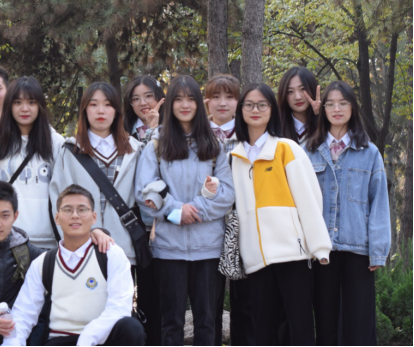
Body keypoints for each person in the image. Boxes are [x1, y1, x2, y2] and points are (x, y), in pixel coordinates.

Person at [0, 180, 114, 346]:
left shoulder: (27, 252)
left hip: (15, 335)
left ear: (15, 216)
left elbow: (67, 256)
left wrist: (95, 232)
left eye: (5, 215)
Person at [230, 83, 332, 346]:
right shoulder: (235, 156)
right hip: (256, 260)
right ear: (240, 110)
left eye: (262, 104)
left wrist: (319, 247)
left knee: (300, 329)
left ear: (272, 110)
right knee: (263, 331)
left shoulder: (287, 148)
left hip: (292, 255)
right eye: (249, 104)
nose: (255, 110)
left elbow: (310, 199)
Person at [136, 75, 234, 346]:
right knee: (171, 323)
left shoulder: (214, 146)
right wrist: (176, 212)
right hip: (169, 249)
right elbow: (144, 191)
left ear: (199, 104)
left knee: (207, 322)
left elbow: (228, 193)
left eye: (191, 98)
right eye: (178, 99)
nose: (185, 104)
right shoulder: (157, 144)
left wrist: (196, 209)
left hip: (209, 249)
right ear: (170, 104)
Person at [3, 184, 146, 347]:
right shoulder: (43, 263)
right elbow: (23, 315)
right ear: (57, 218)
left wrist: (88, 337)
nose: (75, 215)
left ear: (94, 217)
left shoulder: (111, 254)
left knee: (131, 328)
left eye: (82, 209)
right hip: (61, 339)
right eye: (68, 210)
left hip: (102, 338)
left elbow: (120, 307)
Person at [305, 81, 391, 346]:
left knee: (359, 325)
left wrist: (378, 249)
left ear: (353, 107)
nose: (336, 109)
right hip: (322, 250)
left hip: (358, 249)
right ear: (322, 109)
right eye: (330, 104)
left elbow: (378, 202)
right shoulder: (309, 151)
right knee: (326, 324)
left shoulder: (369, 152)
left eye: (343, 103)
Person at [50, 82, 144, 267]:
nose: (101, 111)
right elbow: (58, 199)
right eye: (93, 104)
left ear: (116, 111)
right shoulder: (70, 151)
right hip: (81, 248)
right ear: (85, 111)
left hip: (123, 248)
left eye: (108, 104)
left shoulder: (135, 150)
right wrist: (81, 236)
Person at [204, 74, 254, 347]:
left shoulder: (250, 134)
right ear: (206, 101)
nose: (222, 103)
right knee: (208, 301)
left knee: (245, 300)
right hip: (206, 225)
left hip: (243, 225)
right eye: (216, 97)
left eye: (230, 97)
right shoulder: (196, 134)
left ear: (239, 101)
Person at [0, 77, 65, 250]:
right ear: (9, 106)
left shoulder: (56, 142)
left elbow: (63, 189)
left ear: (40, 106)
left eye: (31, 102)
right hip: (7, 239)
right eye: (17, 102)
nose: (25, 108)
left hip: (49, 240)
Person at [122, 76, 164, 346]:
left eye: (148, 96)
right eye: (135, 99)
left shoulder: (171, 131)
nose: (143, 103)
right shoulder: (120, 132)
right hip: (126, 220)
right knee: (123, 291)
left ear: (160, 98)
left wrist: (155, 129)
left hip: (156, 221)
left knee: (153, 291)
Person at [278, 67, 321, 146]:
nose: (298, 97)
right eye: (290, 91)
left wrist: (320, 116)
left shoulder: (327, 124)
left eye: (302, 89)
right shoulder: (275, 128)